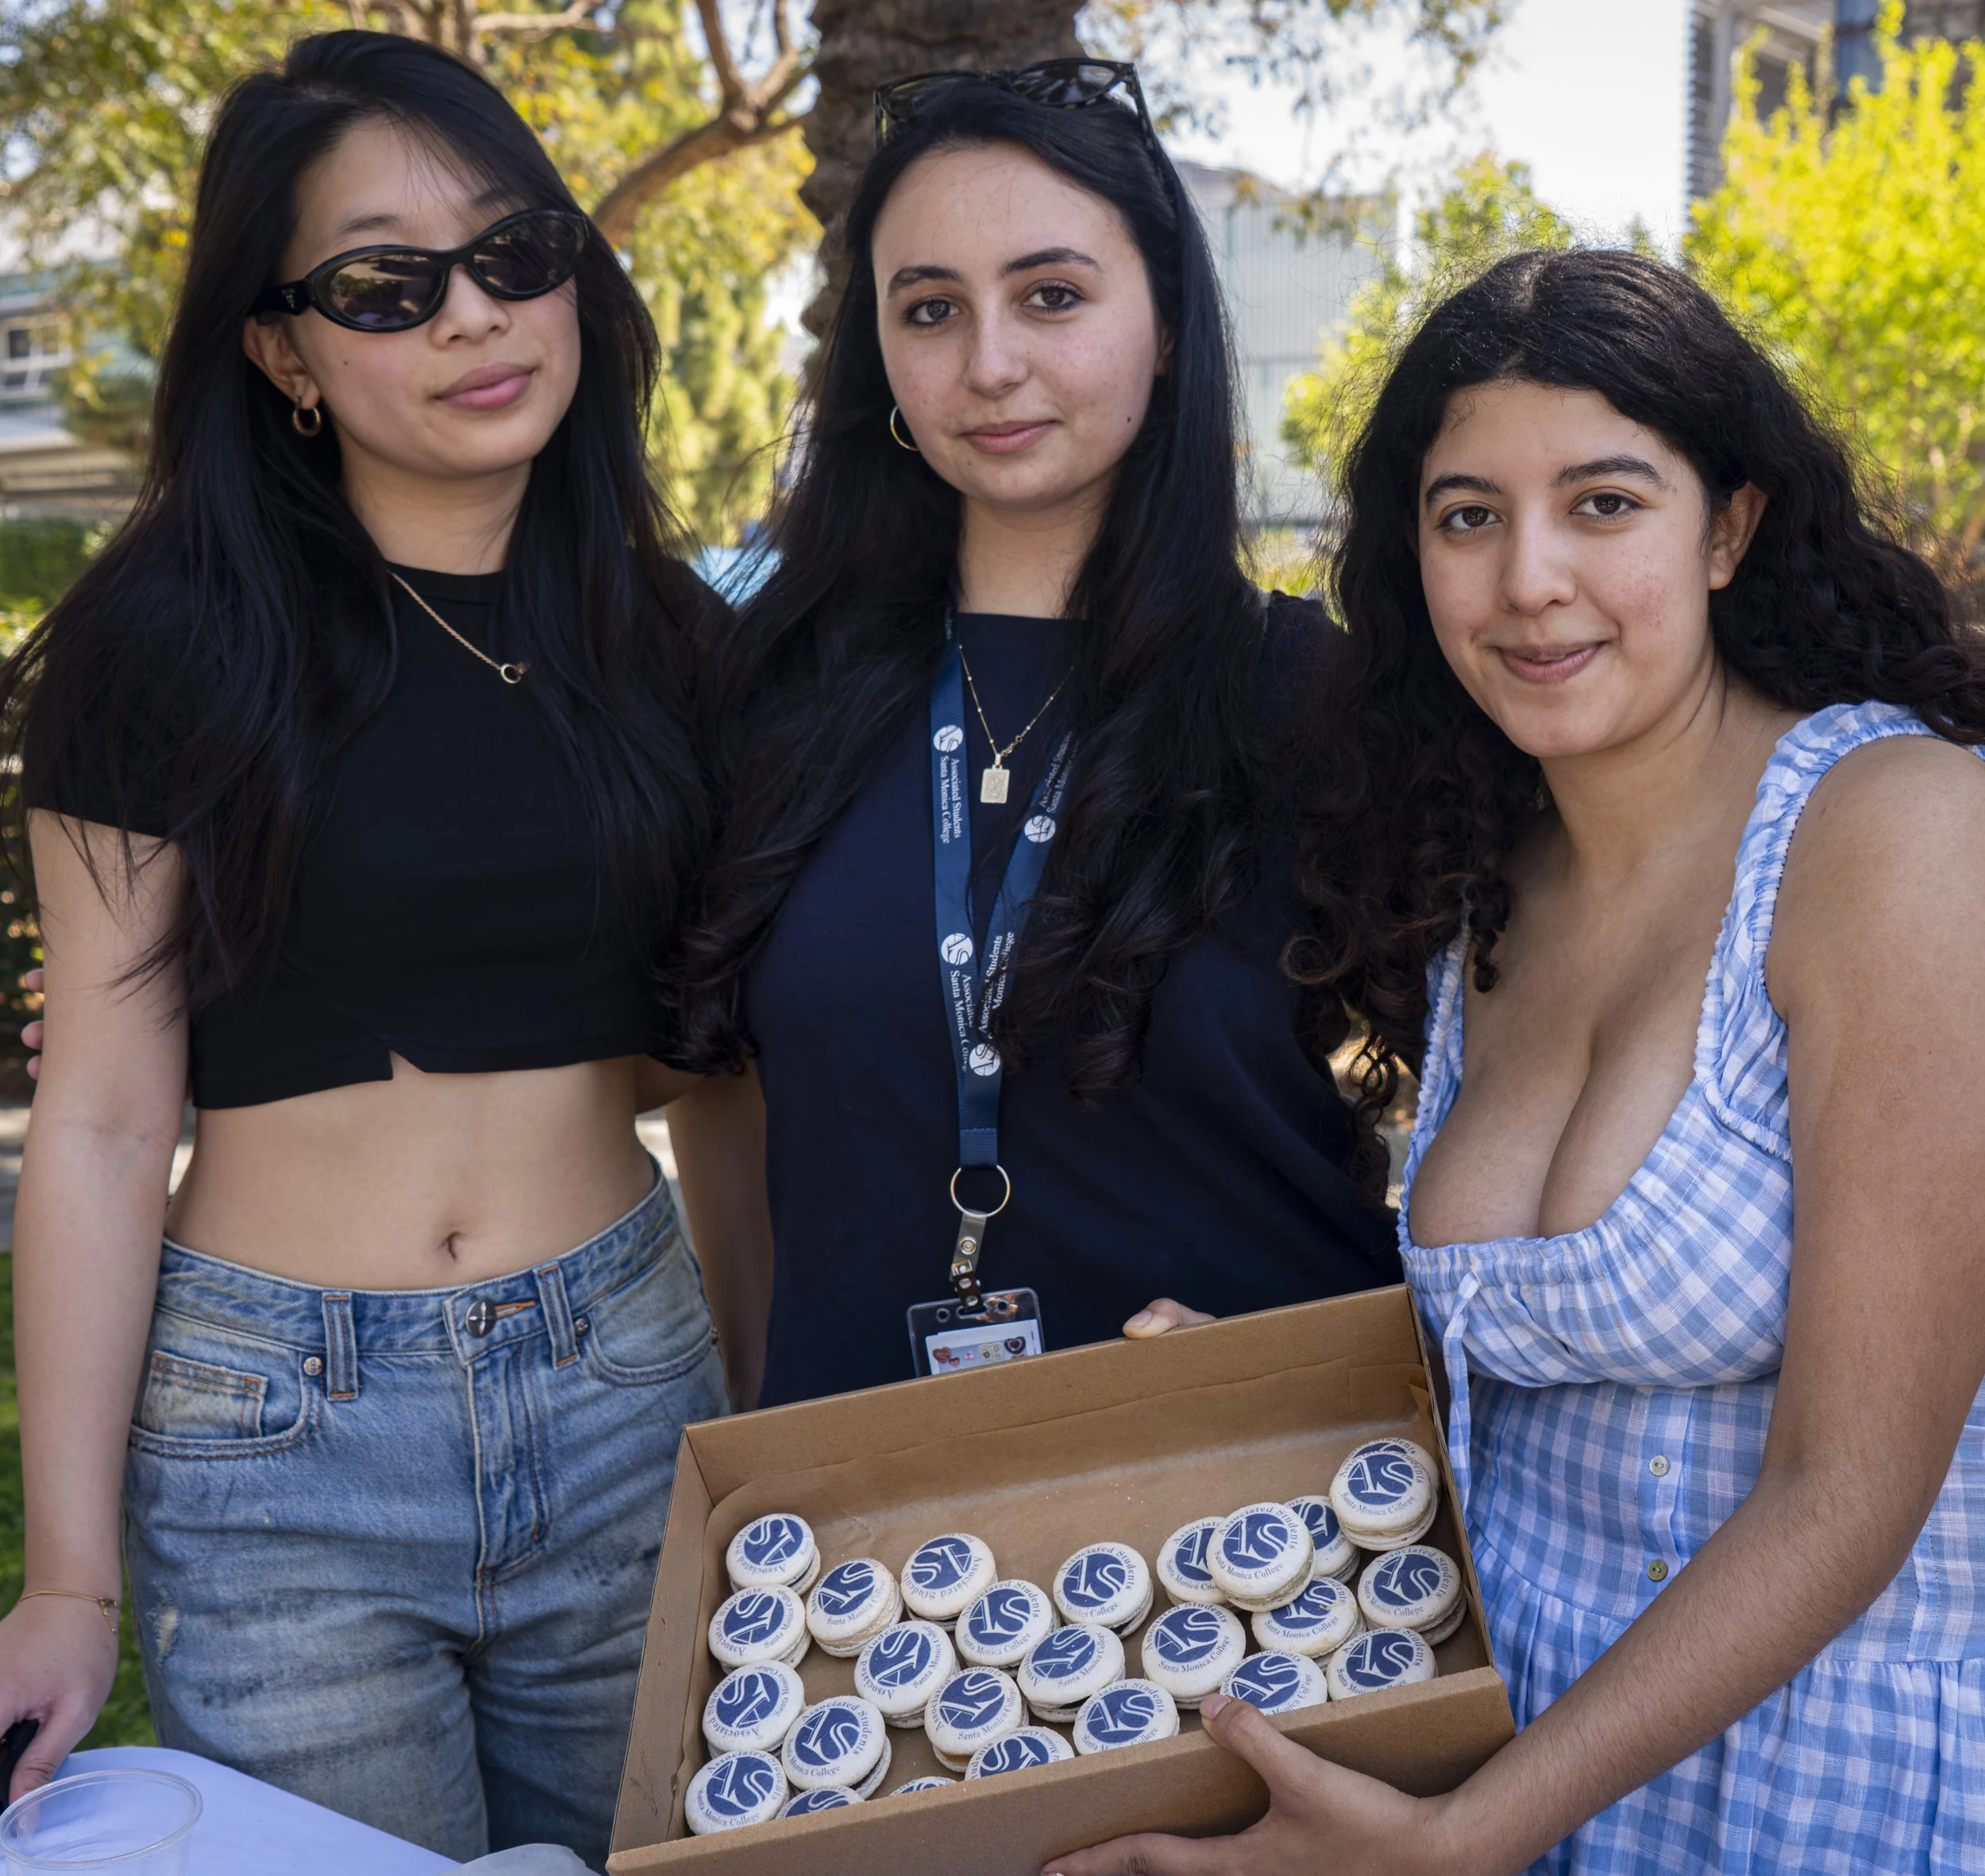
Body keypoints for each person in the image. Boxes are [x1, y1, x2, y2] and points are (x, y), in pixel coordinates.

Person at [1050, 248, 1985, 1876]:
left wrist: (1470, 1832)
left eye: (1602, 502)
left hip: (1792, 1773)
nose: (1525, 579)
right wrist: (1274, 1401)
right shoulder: (1489, 881)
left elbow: (1846, 1492)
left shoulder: (1894, 837)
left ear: (1728, 525)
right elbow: (1532, 1389)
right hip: (1499, 1742)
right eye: (1465, 514)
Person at [0, 32, 758, 1868]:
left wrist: (775, 1443)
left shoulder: (673, 643)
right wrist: (70, 1578)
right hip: (277, 1445)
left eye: (516, 252)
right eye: (383, 286)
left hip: (626, 1399)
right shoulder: (165, 642)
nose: (474, 319)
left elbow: (728, 1083)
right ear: (281, 349)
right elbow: (99, 1123)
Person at [664, 64, 1401, 1408]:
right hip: (870, 1522)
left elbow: (1500, 1081)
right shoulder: (772, 690)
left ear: (1168, 322)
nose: (990, 363)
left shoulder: (1312, 695)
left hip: (1248, 1500)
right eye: (931, 308)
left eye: (1052, 296)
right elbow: (725, 1094)